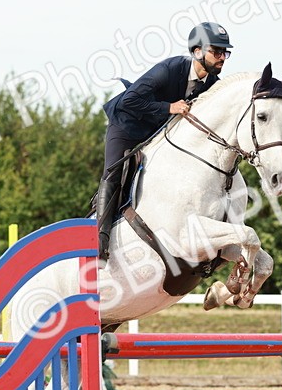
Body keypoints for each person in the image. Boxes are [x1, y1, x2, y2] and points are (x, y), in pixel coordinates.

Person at [95, 21, 234, 260]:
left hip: (158, 132)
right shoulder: (170, 69)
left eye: (225, 52)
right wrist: (169, 107)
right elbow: (130, 101)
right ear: (197, 51)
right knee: (113, 171)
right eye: (217, 51)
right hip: (128, 124)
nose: (222, 57)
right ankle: (100, 240)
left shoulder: (212, 85)